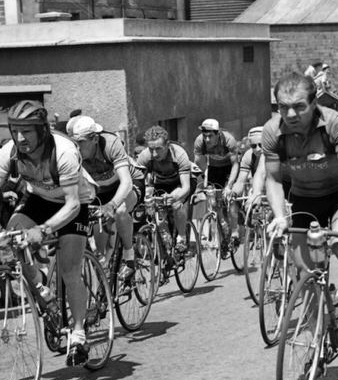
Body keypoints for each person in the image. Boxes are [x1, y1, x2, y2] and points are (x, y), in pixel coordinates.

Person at [0, 100, 93, 364]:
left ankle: (78, 333)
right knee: (10, 237)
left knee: (69, 269)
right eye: (15, 130)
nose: (20, 138)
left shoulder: (63, 151)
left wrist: (43, 230)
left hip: (73, 204)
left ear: (41, 130)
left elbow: (73, 204)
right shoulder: (10, 152)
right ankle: (42, 291)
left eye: (27, 131)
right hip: (39, 200)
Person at [262, 73, 338, 324]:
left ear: (314, 103)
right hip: (304, 199)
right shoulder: (272, 132)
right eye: (283, 107)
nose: (290, 115)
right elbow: (274, 180)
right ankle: (314, 342)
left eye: (299, 107)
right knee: (304, 272)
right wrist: (279, 217)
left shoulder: (334, 124)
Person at [67, 115, 137, 281]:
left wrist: (111, 205)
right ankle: (104, 280)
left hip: (127, 184)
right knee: (100, 246)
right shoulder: (73, 153)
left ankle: (129, 258)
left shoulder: (111, 144)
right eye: (74, 142)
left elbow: (126, 182)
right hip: (101, 190)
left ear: (95, 139)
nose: (76, 147)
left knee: (120, 211)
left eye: (81, 142)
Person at [136, 126, 194, 256]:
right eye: (151, 149)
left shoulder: (179, 154)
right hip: (161, 183)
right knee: (155, 207)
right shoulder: (144, 156)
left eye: (158, 149)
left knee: (177, 204)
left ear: (167, 145)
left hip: (181, 183)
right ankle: (165, 243)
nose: (155, 154)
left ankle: (182, 238)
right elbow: (137, 182)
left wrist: (175, 197)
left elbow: (186, 187)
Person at [192, 118, 240, 245]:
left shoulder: (229, 140)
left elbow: (235, 165)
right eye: (205, 136)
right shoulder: (199, 142)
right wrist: (204, 177)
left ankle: (235, 231)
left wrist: (229, 186)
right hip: (213, 167)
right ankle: (222, 223)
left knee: (231, 197)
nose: (207, 139)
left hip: (229, 167)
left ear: (217, 134)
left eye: (210, 136)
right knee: (213, 198)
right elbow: (199, 162)